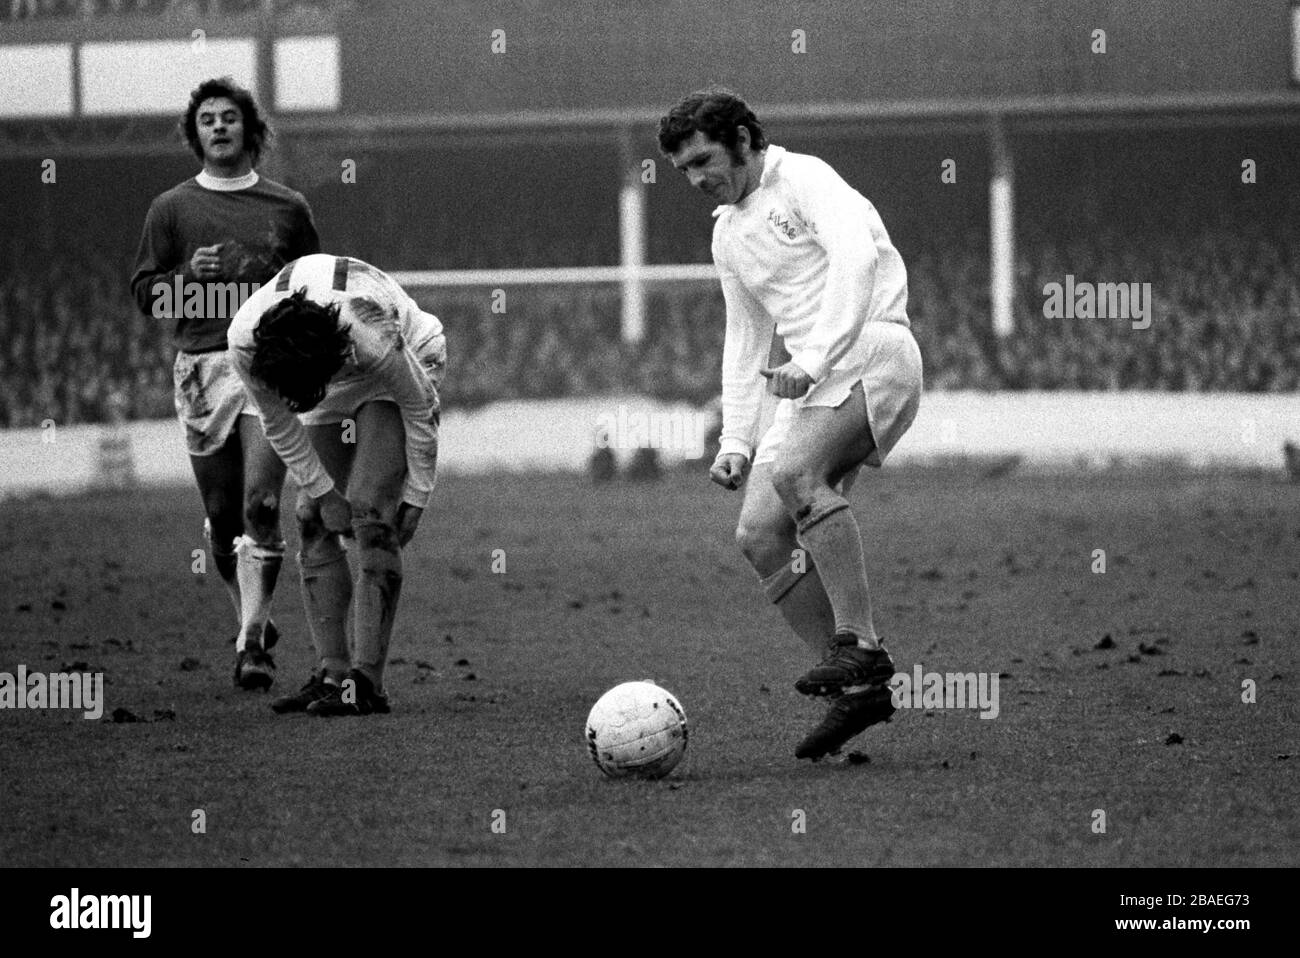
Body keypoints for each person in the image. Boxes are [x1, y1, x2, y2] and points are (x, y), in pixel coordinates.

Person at [657, 89, 923, 760]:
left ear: (744, 139)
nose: (696, 179)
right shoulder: (726, 232)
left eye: (704, 160)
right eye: (684, 169)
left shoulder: (804, 178)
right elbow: (745, 339)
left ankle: (859, 646)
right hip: (807, 379)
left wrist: (815, 355)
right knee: (758, 535)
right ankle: (855, 691)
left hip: (872, 349)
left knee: (801, 475)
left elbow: (857, 260)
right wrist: (736, 440)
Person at [130, 77, 320, 691]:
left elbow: (315, 290)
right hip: (203, 369)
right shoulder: (171, 209)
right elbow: (147, 297)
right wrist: (187, 274)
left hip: (265, 370)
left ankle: (251, 651)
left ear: (249, 129)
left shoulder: (287, 208)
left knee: (261, 505)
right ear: (195, 134)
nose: (218, 126)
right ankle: (251, 623)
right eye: (207, 118)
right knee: (222, 519)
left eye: (229, 117)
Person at [227, 254, 446, 717]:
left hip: (406, 360)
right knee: (309, 517)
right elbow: (278, 422)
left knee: (369, 508)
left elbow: (419, 402)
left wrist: (417, 494)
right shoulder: (245, 343)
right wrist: (324, 493)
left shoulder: (371, 332)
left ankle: (367, 684)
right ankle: (333, 674)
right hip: (332, 373)